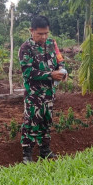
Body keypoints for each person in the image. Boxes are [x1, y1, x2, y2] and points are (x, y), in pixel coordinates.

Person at [18, 15, 67, 163]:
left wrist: (62, 71)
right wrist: (50, 75)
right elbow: (28, 72)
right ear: (31, 31)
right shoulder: (26, 48)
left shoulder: (52, 43)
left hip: (49, 93)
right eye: (40, 34)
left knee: (46, 121)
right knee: (31, 122)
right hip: (34, 94)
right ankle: (27, 154)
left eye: (46, 33)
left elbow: (60, 60)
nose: (44, 37)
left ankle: (45, 151)